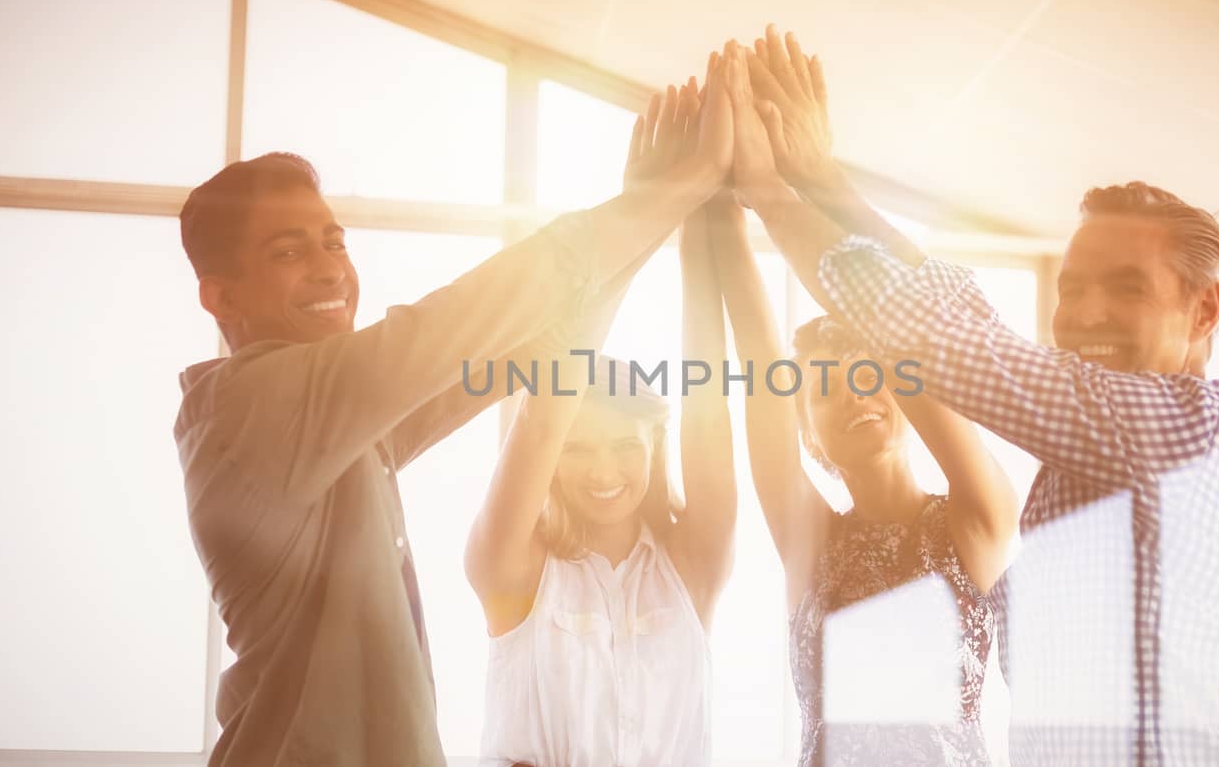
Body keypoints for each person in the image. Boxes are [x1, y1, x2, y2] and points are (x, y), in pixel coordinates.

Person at [723, 27, 1219, 766]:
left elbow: (945, 340)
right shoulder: (1098, 449)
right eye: (1072, 287)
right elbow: (966, 316)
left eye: (1126, 289)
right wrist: (823, 182)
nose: (1084, 316)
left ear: (1206, 311)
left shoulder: (1184, 432)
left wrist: (769, 195)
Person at [171, 62, 733, 766]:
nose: (329, 268)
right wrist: (682, 183)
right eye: (288, 251)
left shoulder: (339, 429)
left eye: (334, 241)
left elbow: (540, 350)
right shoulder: (256, 409)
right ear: (222, 300)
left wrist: (647, 213)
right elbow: (476, 313)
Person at [707, 77, 1015, 766]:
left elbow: (909, 330)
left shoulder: (977, 515)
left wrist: (801, 183)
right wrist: (724, 207)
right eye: (825, 387)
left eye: (870, 372)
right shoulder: (808, 539)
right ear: (808, 435)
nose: (855, 394)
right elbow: (760, 370)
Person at [469, 69, 739, 767]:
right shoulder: (511, 564)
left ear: (656, 438)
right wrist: (642, 210)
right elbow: (546, 400)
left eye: (625, 443)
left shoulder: (692, 560)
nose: (606, 470)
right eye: (579, 448)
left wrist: (700, 215)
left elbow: (709, 400)